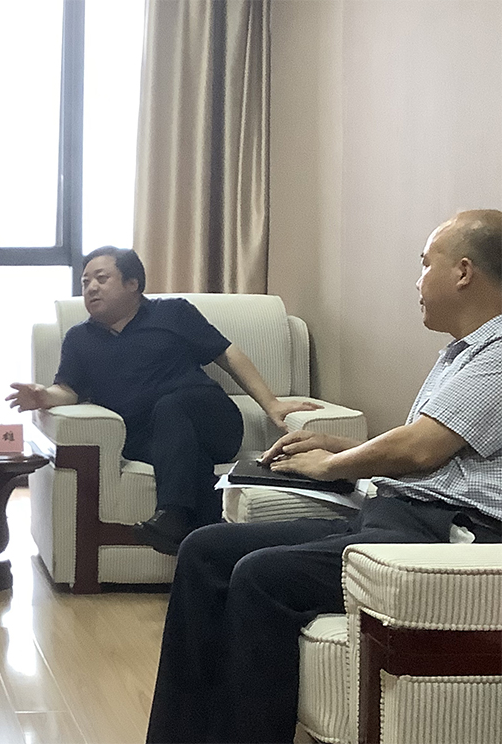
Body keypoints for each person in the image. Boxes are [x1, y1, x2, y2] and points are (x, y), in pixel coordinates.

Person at [146, 209, 502, 744]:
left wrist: (332, 465)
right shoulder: (463, 353)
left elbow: (421, 448)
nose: (418, 281)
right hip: (398, 518)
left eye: (426, 264)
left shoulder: (499, 353)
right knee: (204, 549)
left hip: (448, 533)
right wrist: (346, 446)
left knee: (261, 576)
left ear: (464, 272)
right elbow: (441, 451)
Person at [7, 246, 318, 553]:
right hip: (146, 438)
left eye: (101, 278)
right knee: (189, 456)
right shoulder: (79, 338)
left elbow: (227, 354)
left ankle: (172, 515)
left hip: (211, 419)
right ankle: (208, 542)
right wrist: (43, 396)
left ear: (133, 283)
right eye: (85, 282)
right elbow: (68, 390)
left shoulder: (173, 313)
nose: (91, 288)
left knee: (171, 406)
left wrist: (271, 404)